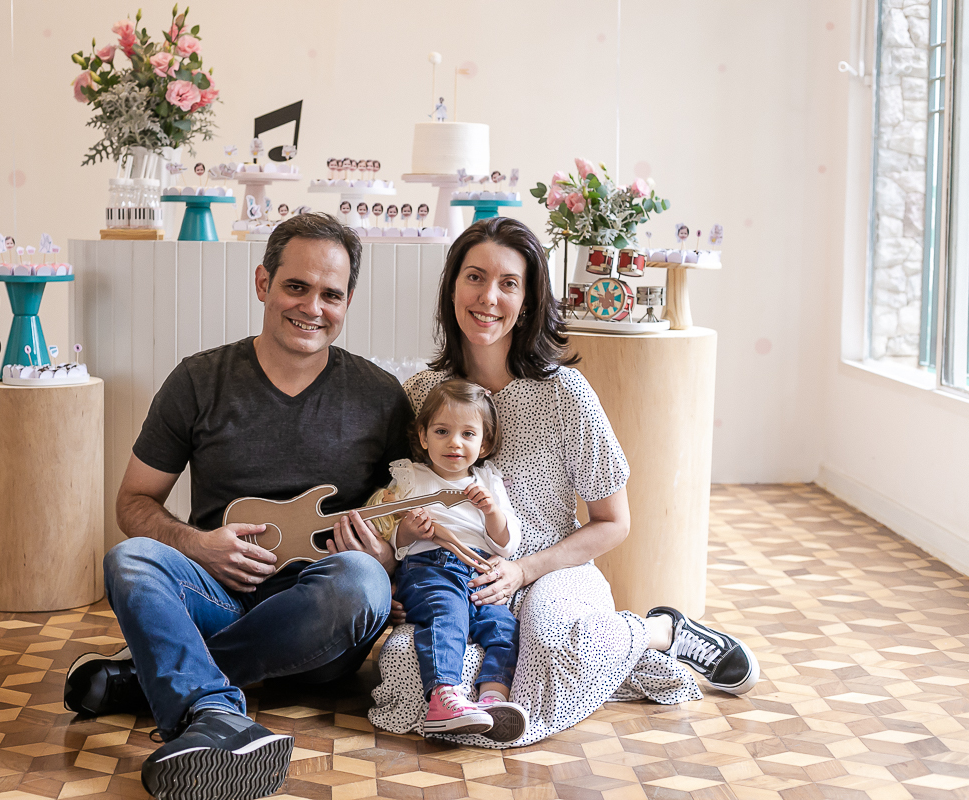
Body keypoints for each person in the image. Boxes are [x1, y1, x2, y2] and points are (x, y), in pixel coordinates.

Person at [368, 217, 759, 748]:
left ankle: (659, 631)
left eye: (509, 283)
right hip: (455, 581)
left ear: (528, 300)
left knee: (552, 644)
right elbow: (401, 503)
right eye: (475, 277)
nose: (488, 296)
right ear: (452, 287)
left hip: (553, 568)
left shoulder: (565, 393)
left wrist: (523, 568)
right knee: (408, 672)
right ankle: (619, 661)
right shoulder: (422, 393)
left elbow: (613, 523)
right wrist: (397, 573)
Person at [64, 213, 413, 800]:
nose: (311, 308)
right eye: (295, 287)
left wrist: (386, 556)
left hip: (318, 625)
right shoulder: (199, 380)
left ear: (349, 300)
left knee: (360, 580)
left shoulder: (381, 397)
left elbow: (405, 521)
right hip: (215, 595)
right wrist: (196, 545)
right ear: (262, 284)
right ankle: (217, 714)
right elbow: (134, 502)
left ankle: (155, 681)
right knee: (130, 559)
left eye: (331, 294)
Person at [378, 379, 529, 744]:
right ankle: (443, 697)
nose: (454, 443)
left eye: (467, 434)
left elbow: (507, 545)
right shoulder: (410, 478)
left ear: (485, 443)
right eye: (442, 431)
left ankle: (493, 699)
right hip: (429, 569)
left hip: (478, 572)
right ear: (424, 436)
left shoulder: (488, 482)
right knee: (449, 616)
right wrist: (409, 532)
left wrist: (491, 511)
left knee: (503, 626)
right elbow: (389, 538)